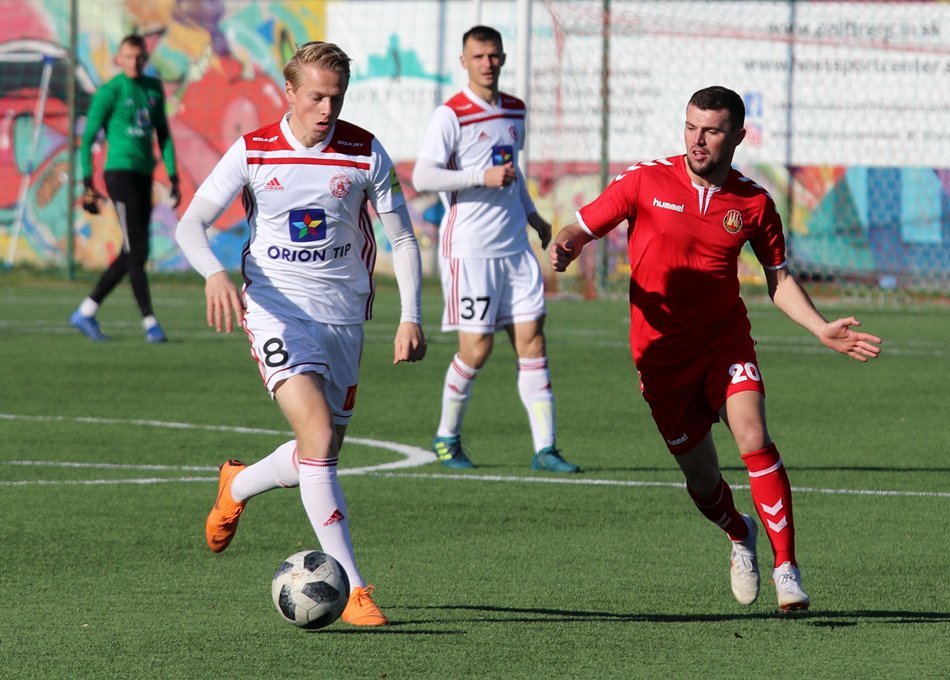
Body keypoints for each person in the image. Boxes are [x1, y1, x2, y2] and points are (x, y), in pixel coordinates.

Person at [550, 86, 882, 611]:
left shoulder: (754, 202)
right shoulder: (645, 180)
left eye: (711, 131)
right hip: (660, 357)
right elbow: (581, 227)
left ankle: (787, 568)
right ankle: (739, 531)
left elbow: (778, 279)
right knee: (703, 481)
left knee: (753, 435)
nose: (697, 140)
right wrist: (567, 243)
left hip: (724, 341)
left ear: (738, 136)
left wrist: (820, 328)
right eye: (691, 128)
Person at [174, 41, 426, 627]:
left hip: (344, 318)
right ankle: (354, 590)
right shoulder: (254, 151)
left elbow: (402, 239)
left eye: (336, 97)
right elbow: (191, 223)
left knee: (321, 452)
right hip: (275, 312)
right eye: (315, 97)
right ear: (288, 92)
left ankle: (237, 485)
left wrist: (410, 316)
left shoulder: (364, 152)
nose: (326, 109)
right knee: (317, 435)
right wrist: (214, 273)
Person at [413, 25, 579, 473]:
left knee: (533, 341)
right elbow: (424, 176)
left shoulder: (515, 110)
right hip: (470, 250)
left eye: (494, 55)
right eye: (479, 56)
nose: (488, 63)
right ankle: (447, 437)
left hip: (515, 248)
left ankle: (546, 449)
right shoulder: (451, 115)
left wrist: (533, 216)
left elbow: (512, 171)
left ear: (503, 58)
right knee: (477, 349)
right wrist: (478, 177)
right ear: (464, 62)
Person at [70, 33, 179, 343]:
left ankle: (86, 312)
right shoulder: (110, 91)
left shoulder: (153, 88)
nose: (135, 62)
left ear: (145, 57)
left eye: (139, 57)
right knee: (138, 249)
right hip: (119, 174)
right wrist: (87, 182)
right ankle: (150, 322)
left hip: (144, 175)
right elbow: (87, 139)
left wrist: (173, 176)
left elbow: (163, 134)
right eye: (129, 57)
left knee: (133, 249)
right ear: (119, 59)